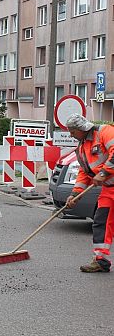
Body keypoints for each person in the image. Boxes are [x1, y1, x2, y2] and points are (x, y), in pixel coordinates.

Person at [66, 113, 114, 273]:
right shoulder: (80, 149)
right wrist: (75, 195)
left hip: (109, 182)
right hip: (109, 190)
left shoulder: (104, 132)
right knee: (101, 222)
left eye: (72, 132)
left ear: (81, 128)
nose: (71, 135)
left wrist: (104, 173)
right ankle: (101, 260)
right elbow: (84, 173)